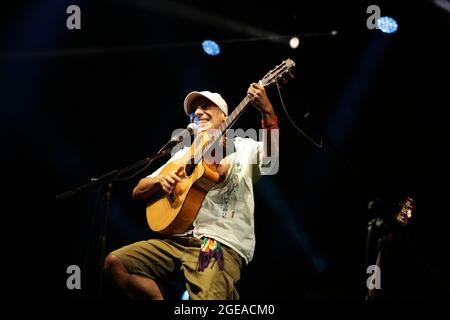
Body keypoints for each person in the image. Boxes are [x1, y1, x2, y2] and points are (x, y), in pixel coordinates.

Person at [103, 82, 279, 299]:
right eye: (194, 111)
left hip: (216, 242)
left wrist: (267, 111)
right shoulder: (182, 155)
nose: (197, 112)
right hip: (177, 239)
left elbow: (271, 159)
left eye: (206, 107)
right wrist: (160, 181)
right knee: (117, 263)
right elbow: (138, 190)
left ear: (225, 116)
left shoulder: (243, 148)